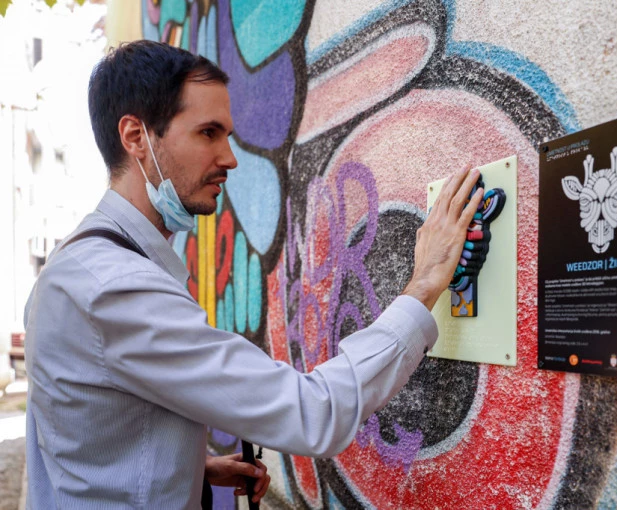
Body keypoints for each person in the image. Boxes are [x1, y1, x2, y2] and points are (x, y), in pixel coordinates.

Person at [23, 40, 484, 509]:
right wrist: (424, 284)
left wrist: (190, 469)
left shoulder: (73, 265)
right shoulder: (115, 287)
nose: (229, 158)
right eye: (208, 133)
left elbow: (80, 436)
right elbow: (314, 412)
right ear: (136, 137)